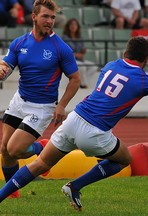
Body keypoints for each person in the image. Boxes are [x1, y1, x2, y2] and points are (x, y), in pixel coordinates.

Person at [0, 36, 148, 210]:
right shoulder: (144, 80)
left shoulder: (111, 65)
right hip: (94, 131)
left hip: (74, 119)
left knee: (39, 165)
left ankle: (1, 196)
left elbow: (132, 84)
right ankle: (75, 185)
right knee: (124, 159)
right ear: (146, 60)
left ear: (125, 53)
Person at [0, 0, 80, 199]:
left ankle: (41, 147)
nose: (50, 21)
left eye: (52, 17)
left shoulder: (60, 48)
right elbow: (6, 67)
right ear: (34, 17)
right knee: (4, 149)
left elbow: (75, 79)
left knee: (15, 149)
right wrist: (2, 70)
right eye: (45, 16)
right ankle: (13, 194)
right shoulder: (19, 43)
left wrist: (61, 106)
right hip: (20, 101)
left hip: (41, 108)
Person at [62, 18, 99, 88]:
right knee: (82, 67)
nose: (73, 26)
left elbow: (82, 50)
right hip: (70, 60)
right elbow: (64, 52)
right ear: (68, 26)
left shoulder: (80, 37)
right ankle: (83, 85)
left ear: (77, 27)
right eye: (71, 24)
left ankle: (81, 82)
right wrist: (76, 55)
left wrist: (83, 52)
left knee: (94, 66)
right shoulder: (64, 38)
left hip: (79, 60)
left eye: (75, 24)